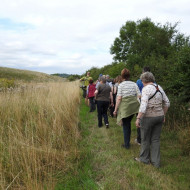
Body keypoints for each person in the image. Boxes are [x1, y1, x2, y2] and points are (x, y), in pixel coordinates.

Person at [135, 72, 170, 168]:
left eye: (141, 80)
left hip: (148, 117)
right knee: (155, 139)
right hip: (159, 116)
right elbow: (167, 103)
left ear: (144, 80)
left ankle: (144, 159)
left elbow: (143, 106)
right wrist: (163, 114)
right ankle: (156, 163)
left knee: (145, 139)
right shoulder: (159, 87)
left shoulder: (146, 89)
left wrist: (138, 118)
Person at [113, 69, 141, 149]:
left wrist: (115, 110)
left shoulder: (121, 85)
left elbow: (119, 98)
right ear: (129, 75)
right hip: (134, 107)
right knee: (128, 123)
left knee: (126, 125)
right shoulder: (134, 84)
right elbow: (139, 95)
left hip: (125, 107)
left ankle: (127, 145)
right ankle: (133, 141)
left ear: (122, 76)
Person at [135, 66, 151, 145]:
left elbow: (136, 92)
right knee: (148, 121)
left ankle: (139, 140)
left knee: (140, 120)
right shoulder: (153, 82)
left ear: (143, 72)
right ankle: (148, 138)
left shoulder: (139, 81)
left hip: (141, 103)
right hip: (151, 104)